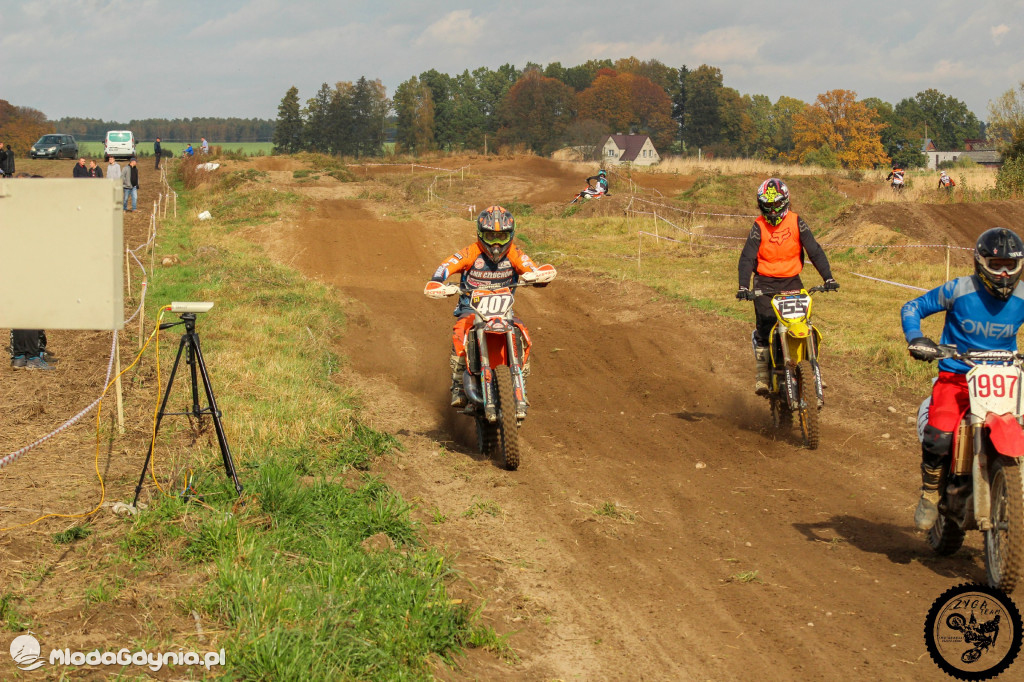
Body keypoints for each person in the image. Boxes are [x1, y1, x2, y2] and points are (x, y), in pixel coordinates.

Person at [902, 227, 1024, 530]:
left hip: (1006, 378)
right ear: (981, 263)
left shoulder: (1022, 296)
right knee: (940, 434)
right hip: (957, 376)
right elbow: (913, 307)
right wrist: (917, 338)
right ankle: (930, 492)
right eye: (997, 265)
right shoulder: (958, 290)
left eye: (1011, 264)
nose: (1005, 273)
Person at [424, 206, 556, 410]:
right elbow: (446, 266)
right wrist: (437, 281)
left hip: (503, 311)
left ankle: (521, 381)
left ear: (510, 236)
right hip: (472, 309)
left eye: (502, 236)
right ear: (480, 234)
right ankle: (459, 383)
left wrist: (537, 275)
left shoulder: (514, 253)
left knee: (521, 331)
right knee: (461, 330)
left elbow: (530, 267)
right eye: (490, 236)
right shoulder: (470, 252)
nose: (496, 243)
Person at [737, 178, 838, 395]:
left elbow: (815, 250)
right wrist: (743, 286)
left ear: (785, 202)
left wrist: (828, 278)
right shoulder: (759, 226)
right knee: (765, 326)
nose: (772, 211)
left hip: (792, 281)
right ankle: (763, 375)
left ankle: (812, 371)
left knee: (804, 324)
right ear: (761, 205)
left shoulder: (796, 222)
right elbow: (747, 257)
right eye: (768, 206)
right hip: (764, 283)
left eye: (776, 205)